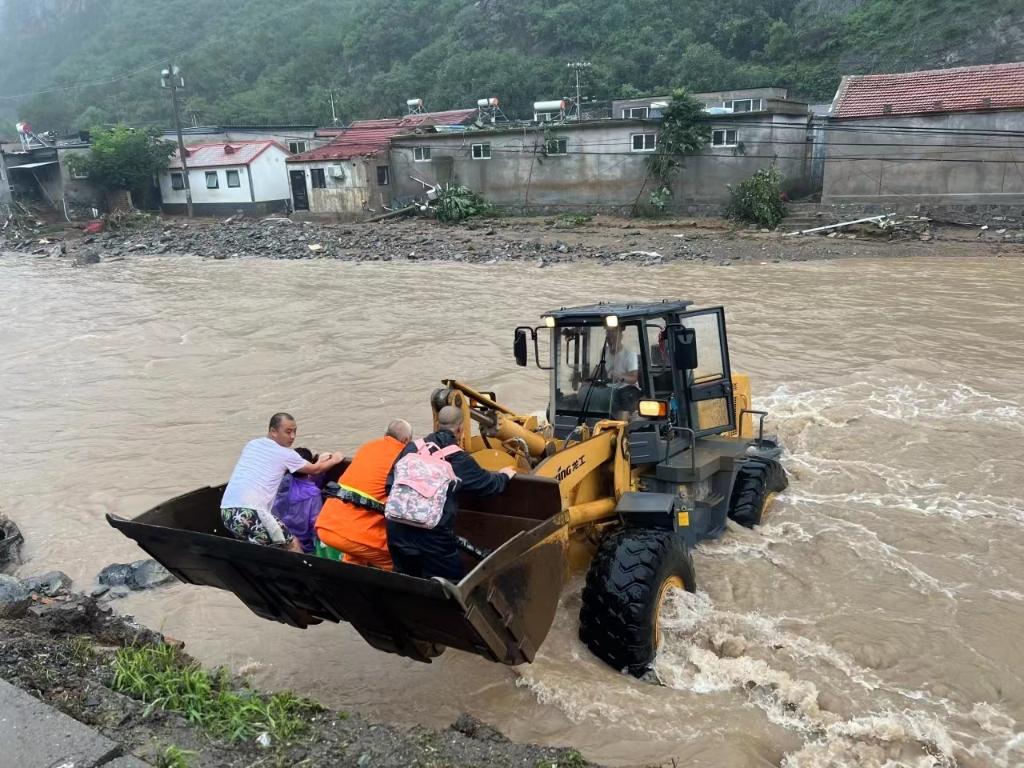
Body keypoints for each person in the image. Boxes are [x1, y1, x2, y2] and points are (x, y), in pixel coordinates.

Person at [386, 406, 515, 581]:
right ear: (461, 428)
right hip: (432, 535)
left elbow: (390, 484)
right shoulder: (458, 458)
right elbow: (488, 485)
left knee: (405, 579)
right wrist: (504, 475)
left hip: (396, 528)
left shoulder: (411, 447)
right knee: (450, 584)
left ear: (437, 423)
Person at [220, 413, 343, 552]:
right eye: (288, 432)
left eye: (295, 432)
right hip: (251, 513)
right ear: (273, 431)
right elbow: (315, 469)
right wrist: (334, 460)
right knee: (292, 543)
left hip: (227, 512)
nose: (292, 437)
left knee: (262, 548)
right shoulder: (285, 454)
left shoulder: (252, 444)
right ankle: (305, 572)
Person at [315, 419, 413, 569]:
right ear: (406, 440)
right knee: (397, 558)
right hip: (354, 534)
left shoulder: (368, 447)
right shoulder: (404, 456)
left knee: (356, 556)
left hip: (325, 525)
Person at [271, 447, 326, 554]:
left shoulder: (280, 483)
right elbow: (315, 523)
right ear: (310, 465)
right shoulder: (313, 494)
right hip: (303, 544)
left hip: (279, 536)